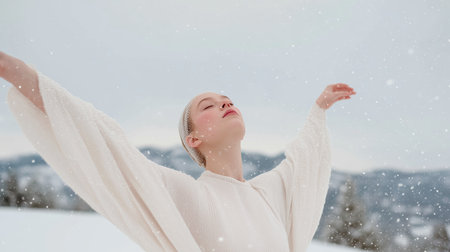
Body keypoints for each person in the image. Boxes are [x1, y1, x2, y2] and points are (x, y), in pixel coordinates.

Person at [0, 51, 356, 252]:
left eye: (226, 99)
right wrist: (12, 69)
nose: (225, 102)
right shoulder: (187, 194)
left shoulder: (270, 194)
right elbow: (101, 141)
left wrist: (319, 109)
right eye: (208, 105)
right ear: (194, 140)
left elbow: (307, 161)